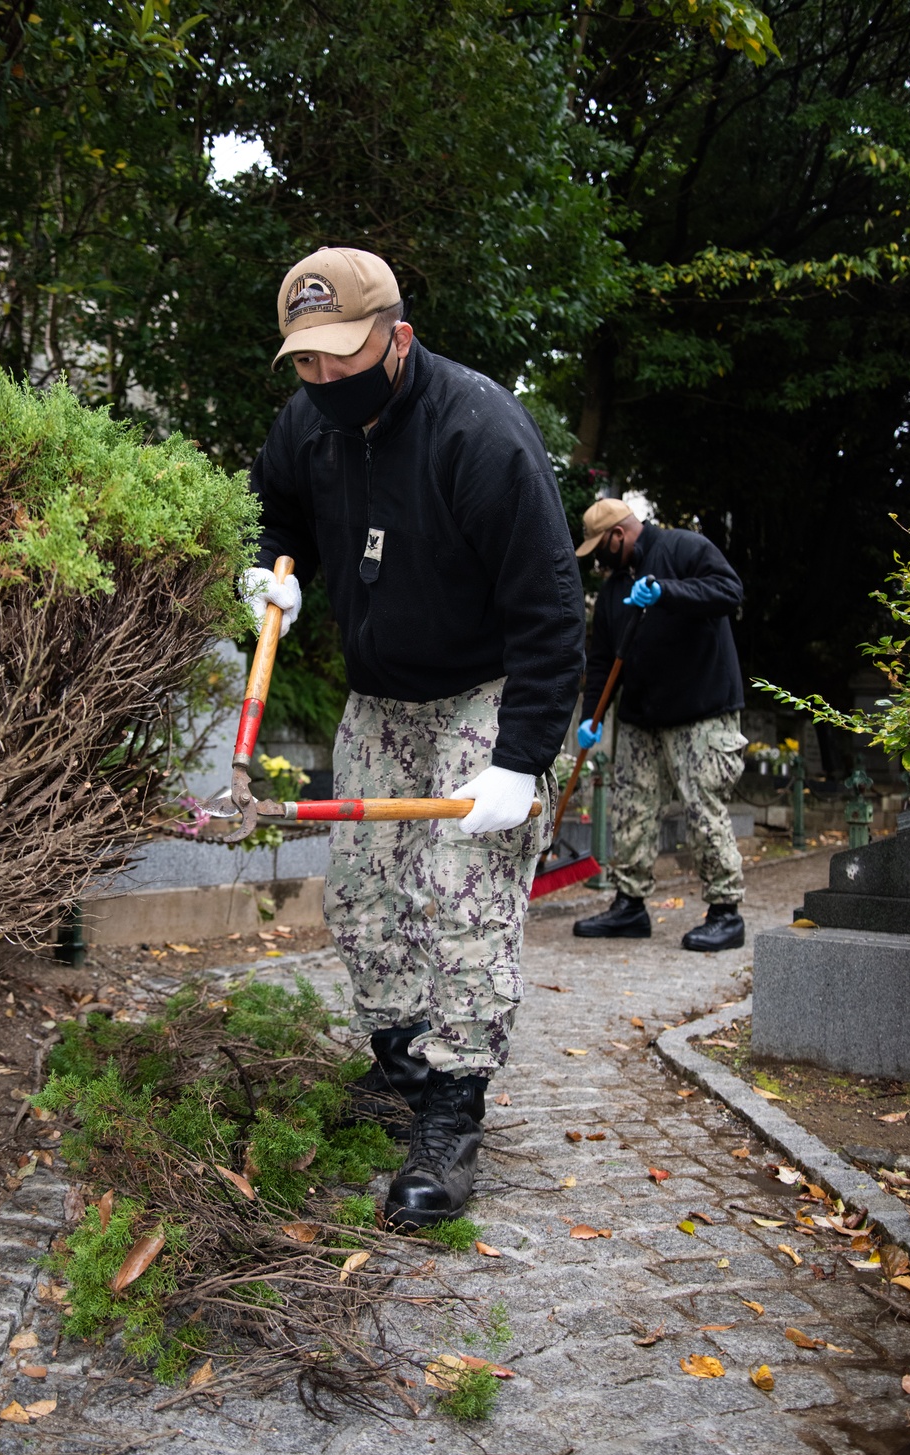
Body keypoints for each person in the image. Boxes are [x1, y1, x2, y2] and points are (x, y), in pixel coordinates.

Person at [241, 246, 586, 1228]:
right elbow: (278, 507)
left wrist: (518, 763)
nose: (323, 381)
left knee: (460, 897)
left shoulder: (479, 433)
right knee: (364, 890)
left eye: (341, 359)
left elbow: (551, 611)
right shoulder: (309, 423)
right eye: (305, 364)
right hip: (381, 696)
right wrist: (278, 570)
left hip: (487, 688)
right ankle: (398, 1064)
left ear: (398, 335)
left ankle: (452, 1108)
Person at [571, 498, 747, 953]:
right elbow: (605, 661)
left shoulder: (685, 548)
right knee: (631, 809)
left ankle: (726, 912)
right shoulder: (612, 593)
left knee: (701, 806)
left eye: (600, 549)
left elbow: (728, 591)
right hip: (641, 717)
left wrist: (668, 591)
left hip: (701, 709)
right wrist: (592, 719)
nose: (598, 560)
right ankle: (630, 906)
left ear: (618, 535)